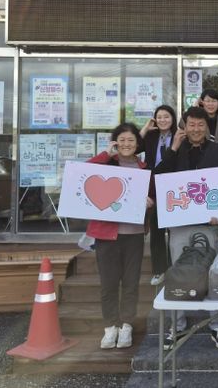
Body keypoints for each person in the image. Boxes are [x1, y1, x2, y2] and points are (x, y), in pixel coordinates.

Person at [154, 106, 218, 351]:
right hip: (179, 224)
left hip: (209, 224)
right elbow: (158, 177)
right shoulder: (174, 150)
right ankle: (177, 325)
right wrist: (174, 148)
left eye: (200, 124)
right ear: (184, 126)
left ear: (207, 126)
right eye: (191, 124)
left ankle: (217, 325)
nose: (196, 129)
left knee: (211, 273)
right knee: (177, 272)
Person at [86, 123, 154, 350]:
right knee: (109, 284)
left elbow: (152, 197)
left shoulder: (144, 168)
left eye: (131, 140)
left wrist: (150, 202)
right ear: (115, 142)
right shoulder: (106, 163)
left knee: (131, 283)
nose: (126, 144)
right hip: (107, 235)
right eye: (122, 140)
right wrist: (106, 153)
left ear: (137, 144)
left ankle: (126, 326)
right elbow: (82, 172)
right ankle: (110, 327)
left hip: (134, 234)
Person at [139, 105, 178, 286]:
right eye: (159, 117)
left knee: (175, 229)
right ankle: (159, 269)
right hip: (153, 184)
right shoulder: (151, 136)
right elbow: (134, 146)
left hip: (174, 185)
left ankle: (175, 267)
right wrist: (146, 128)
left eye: (166, 116)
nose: (163, 120)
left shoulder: (179, 136)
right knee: (156, 228)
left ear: (173, 118)